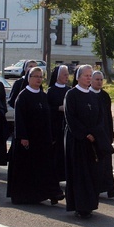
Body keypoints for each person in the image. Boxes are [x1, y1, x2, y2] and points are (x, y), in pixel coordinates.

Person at [7, 66, 63, 205]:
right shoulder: (23, 96)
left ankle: (49, 193)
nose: (38, 79)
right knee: (27, 169)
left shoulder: (43, 96)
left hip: (42, 139)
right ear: (29, 78)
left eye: (40, 76)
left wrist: (51, 136)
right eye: (36, 76)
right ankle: (25, 195)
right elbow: (19, 119)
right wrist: (23, 137)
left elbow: (48, 117)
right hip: (28, 140)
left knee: (44, 167)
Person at [64, 64, 113, 218]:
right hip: (78, 142)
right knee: (79, 175)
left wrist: (95, 134)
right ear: (78, 77)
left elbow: (100, 118)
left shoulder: (94, 96)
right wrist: (85, 134)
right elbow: (70, 118)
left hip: (93, 142)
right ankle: (79, 206)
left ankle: (90, 204)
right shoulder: (71, 95)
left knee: (92, 174)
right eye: (86, 75)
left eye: (90, 75)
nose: (88, 78)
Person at [91, 70, 114, 198]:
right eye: (96, 79)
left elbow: (109, 115)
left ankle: (110, 188)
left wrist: (111, 132)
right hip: (94, 134)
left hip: (105, 132)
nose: (99, 82)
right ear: (91, 81)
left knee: (107, 162)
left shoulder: (105, 96)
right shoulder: (88, 95)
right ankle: (95, 187)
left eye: (101, 80)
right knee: (95, 162)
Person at [47, 65, 71, 194]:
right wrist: (58, 108)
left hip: (67, 128)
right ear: (57, 76)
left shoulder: (69, 90)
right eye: (64, 74)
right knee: (56, 156)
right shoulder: (51, 91)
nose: (67, 77)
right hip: (56, 128)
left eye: (67, 74)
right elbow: (47, 109)